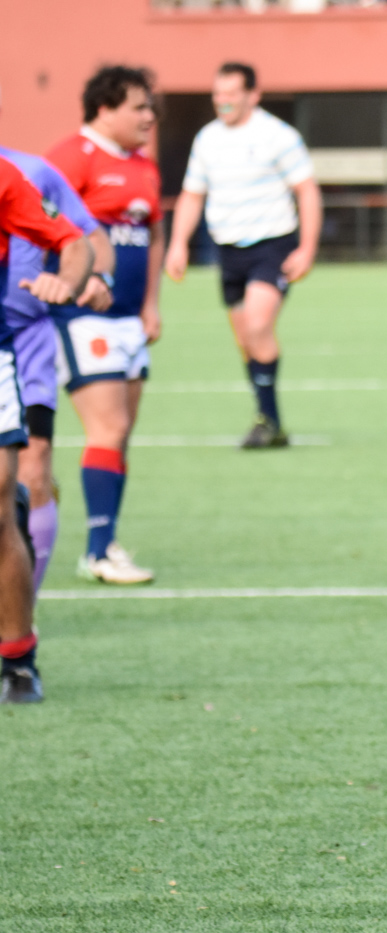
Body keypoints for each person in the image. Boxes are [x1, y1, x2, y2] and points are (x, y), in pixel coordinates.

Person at [46, 66, 166, 584]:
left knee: (121, 435)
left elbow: (152, 236)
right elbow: (41, 227)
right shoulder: (69, 157)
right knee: (108, 428)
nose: (150, 116)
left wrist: (152, 304)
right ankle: (97, 550)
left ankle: (105, 541)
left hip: (129, 320)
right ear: (104, 109)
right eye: (139, 106)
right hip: (81, 316)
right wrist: (78, 279)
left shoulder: (144, 166)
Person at [165, 62, 321, 449]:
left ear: (253, 95)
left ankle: (266, 420)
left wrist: (307, 248)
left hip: (272, 246)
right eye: (218, 94)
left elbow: (307, 191)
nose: (224, 101)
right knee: (246, 342)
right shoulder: (207, 139)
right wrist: (178, 242)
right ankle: (270, 420)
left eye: (232, 93)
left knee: (256, 325)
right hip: (228, 251)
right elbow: (192, 194)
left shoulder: (277, 136)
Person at [0, 151, 96, 699]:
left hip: (3, 347)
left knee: (0, 508)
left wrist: (68, 280)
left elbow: (75, 240)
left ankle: (18, 660)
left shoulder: (8, 175)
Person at [0, 134, 114, 590]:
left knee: (36, 460)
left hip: (24, 339)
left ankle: (28, 601)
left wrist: (90, 278)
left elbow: (85, 235)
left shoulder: (31, 171)